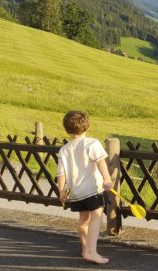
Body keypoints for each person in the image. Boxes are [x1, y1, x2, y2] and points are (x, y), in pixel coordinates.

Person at [55, 110, 112, 265]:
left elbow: (61, 174)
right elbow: (101, 163)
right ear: (87, 126)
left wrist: (61, 190)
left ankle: (85, 249)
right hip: (93, 190)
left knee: (84, 219)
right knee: (96, 218)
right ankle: (91, 252)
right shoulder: (92, 143)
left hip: (76, 192)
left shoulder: (64, 150)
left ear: (66, 129)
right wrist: (107, 179)